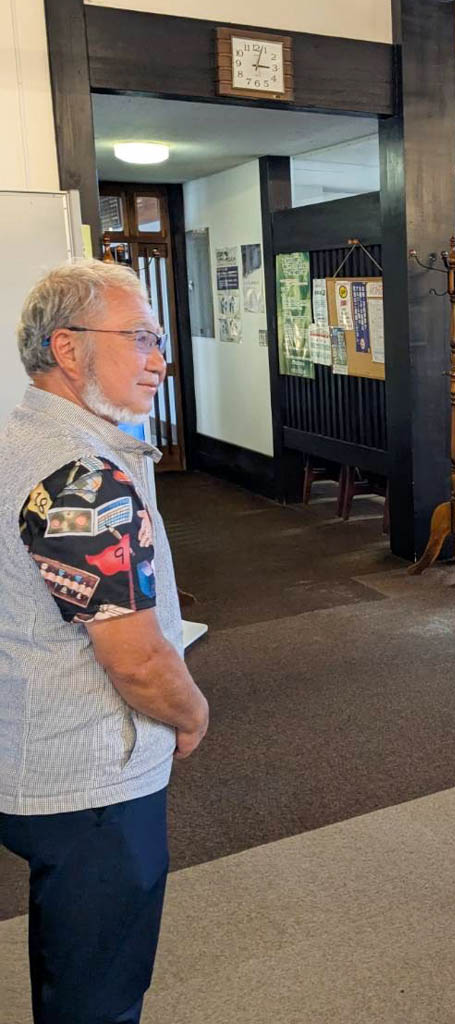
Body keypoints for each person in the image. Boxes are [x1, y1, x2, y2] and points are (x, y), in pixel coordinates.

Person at [0, 260, 209, 1023]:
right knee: (98, 997)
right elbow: (138, 661)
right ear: (68, 348)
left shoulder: (24, 438)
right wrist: (192, 713)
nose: (159, 359)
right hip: (89, 779)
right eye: (141, 338)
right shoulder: (78, 480)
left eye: (159, 340)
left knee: (70, 962)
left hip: (35, 746)